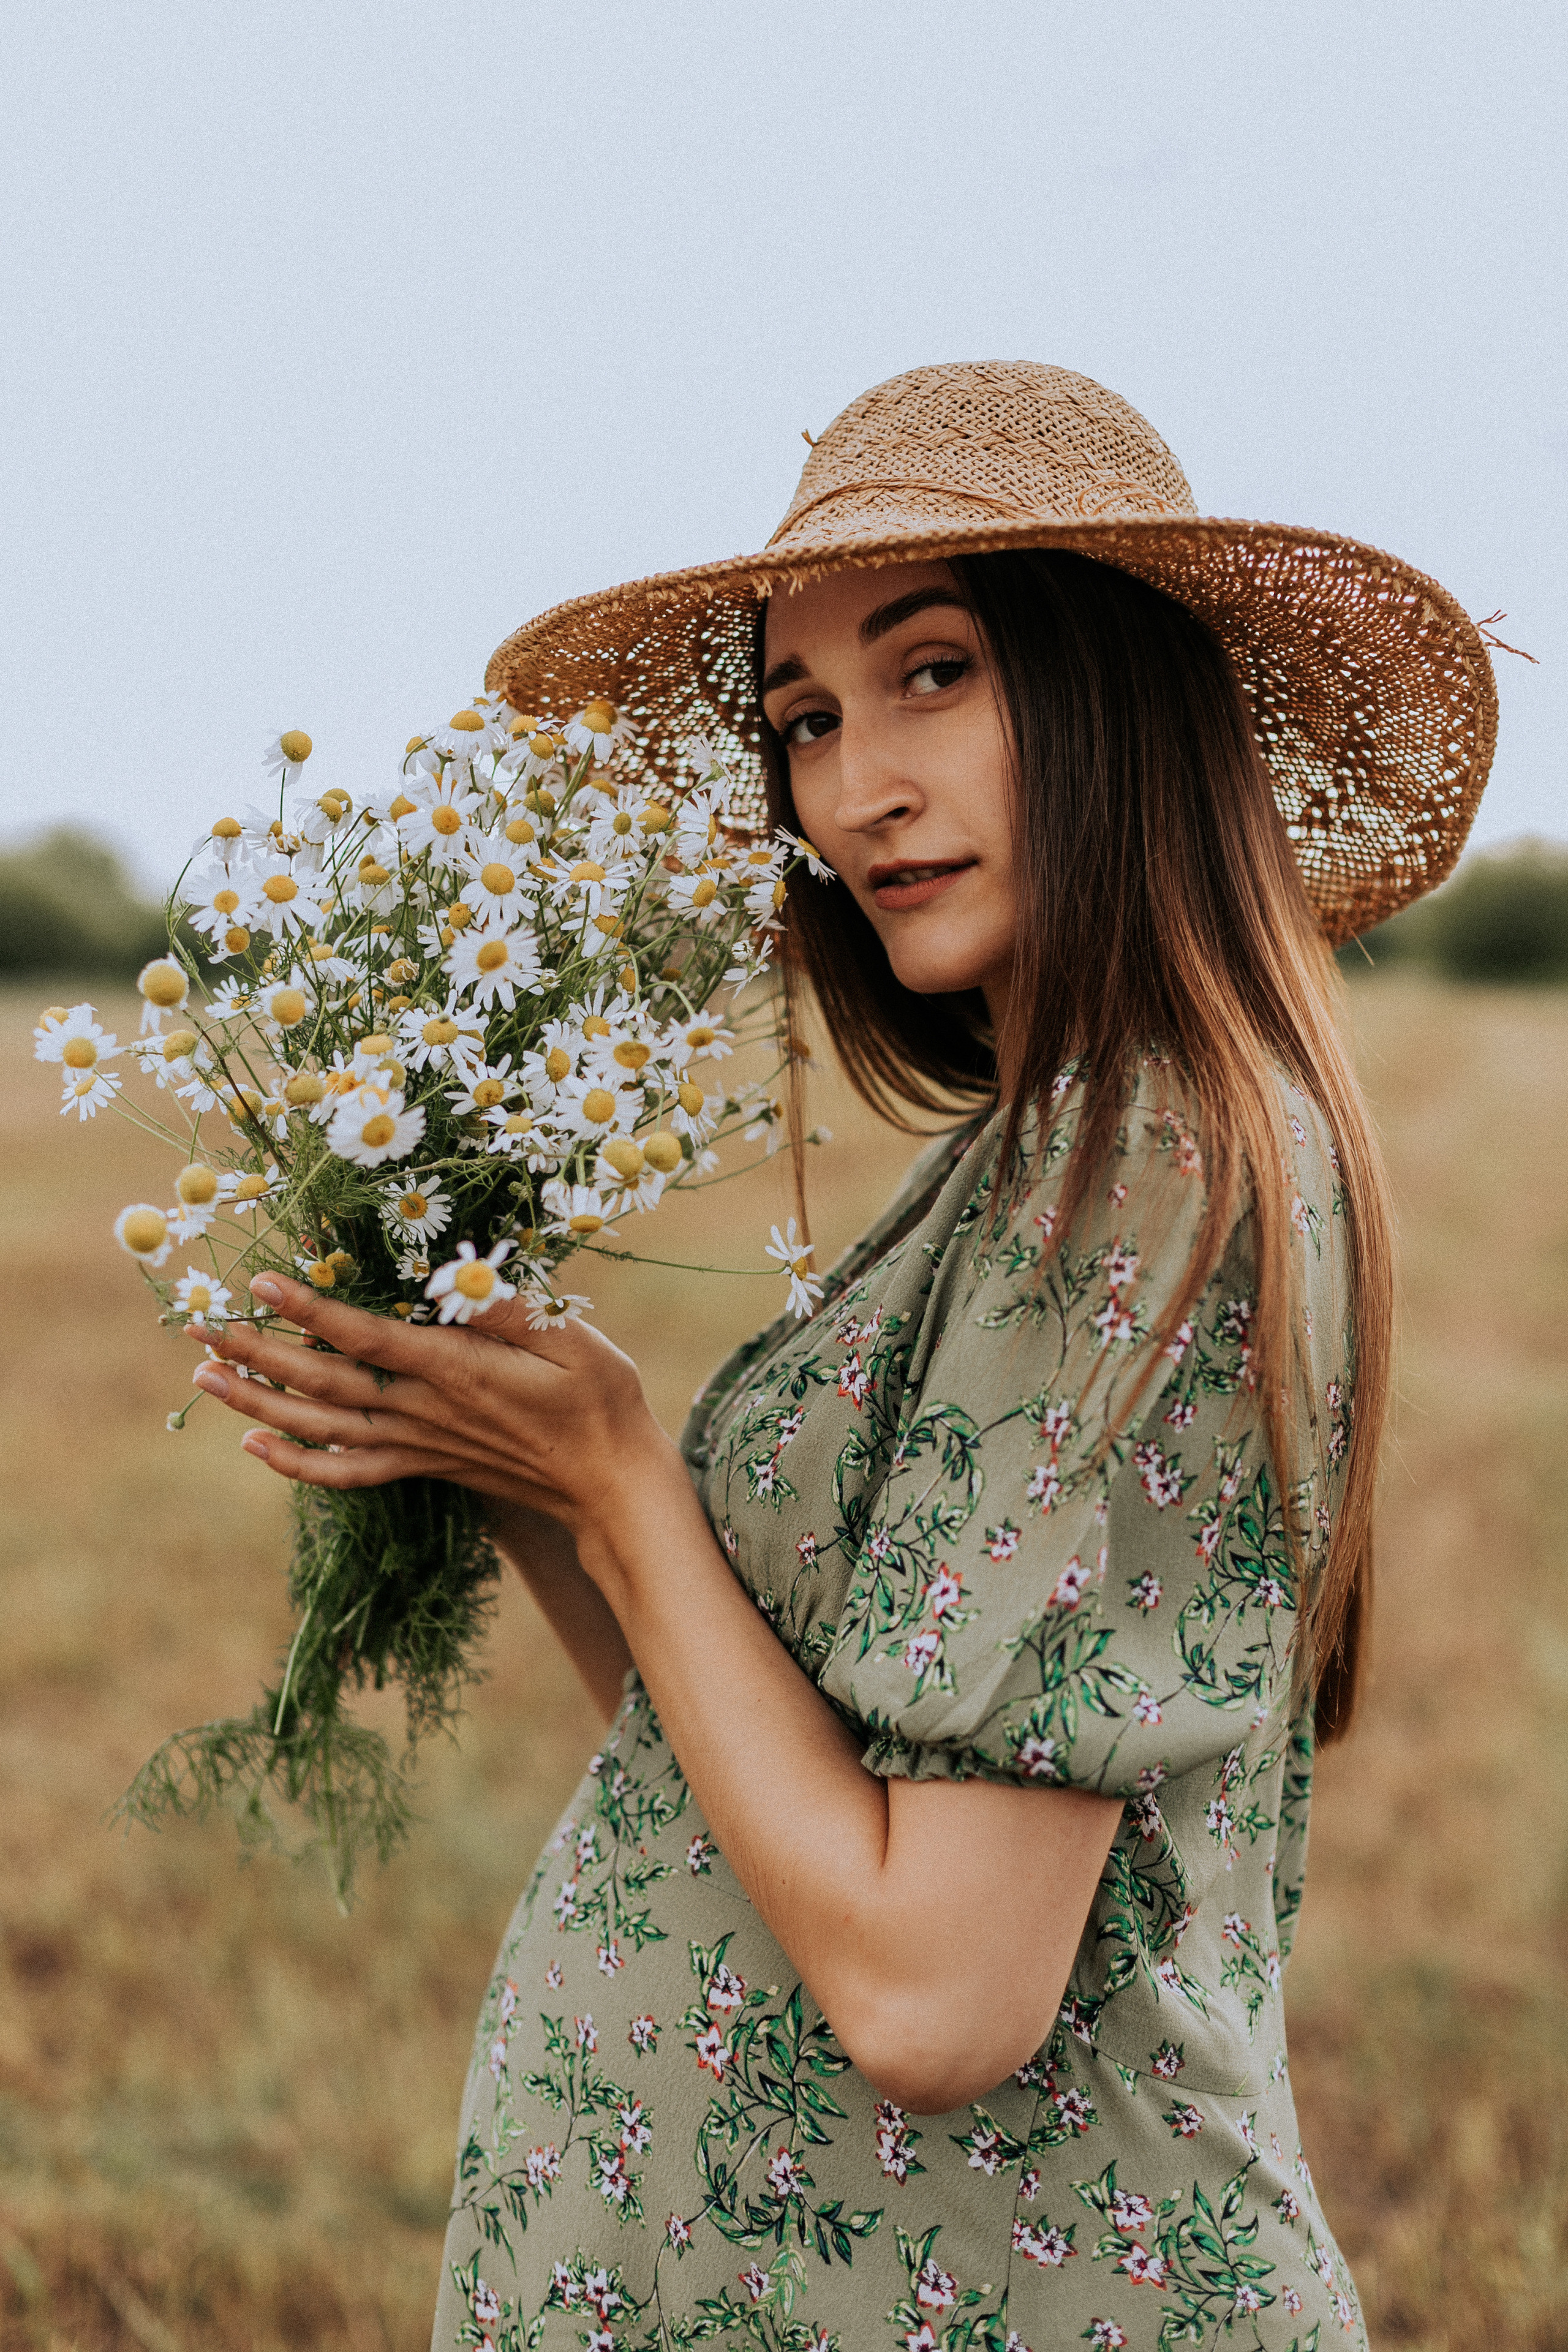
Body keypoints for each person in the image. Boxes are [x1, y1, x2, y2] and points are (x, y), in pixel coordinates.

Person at [190, 364, 1496, 2351]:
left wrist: (627, 1482)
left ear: (1120, 697)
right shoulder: (1048, 1148)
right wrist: (540, 1475)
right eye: (804, 719)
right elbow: (775, 1777)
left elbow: (932, 1998)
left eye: (934, 674)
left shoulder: (1147, 1159)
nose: (853, 787)